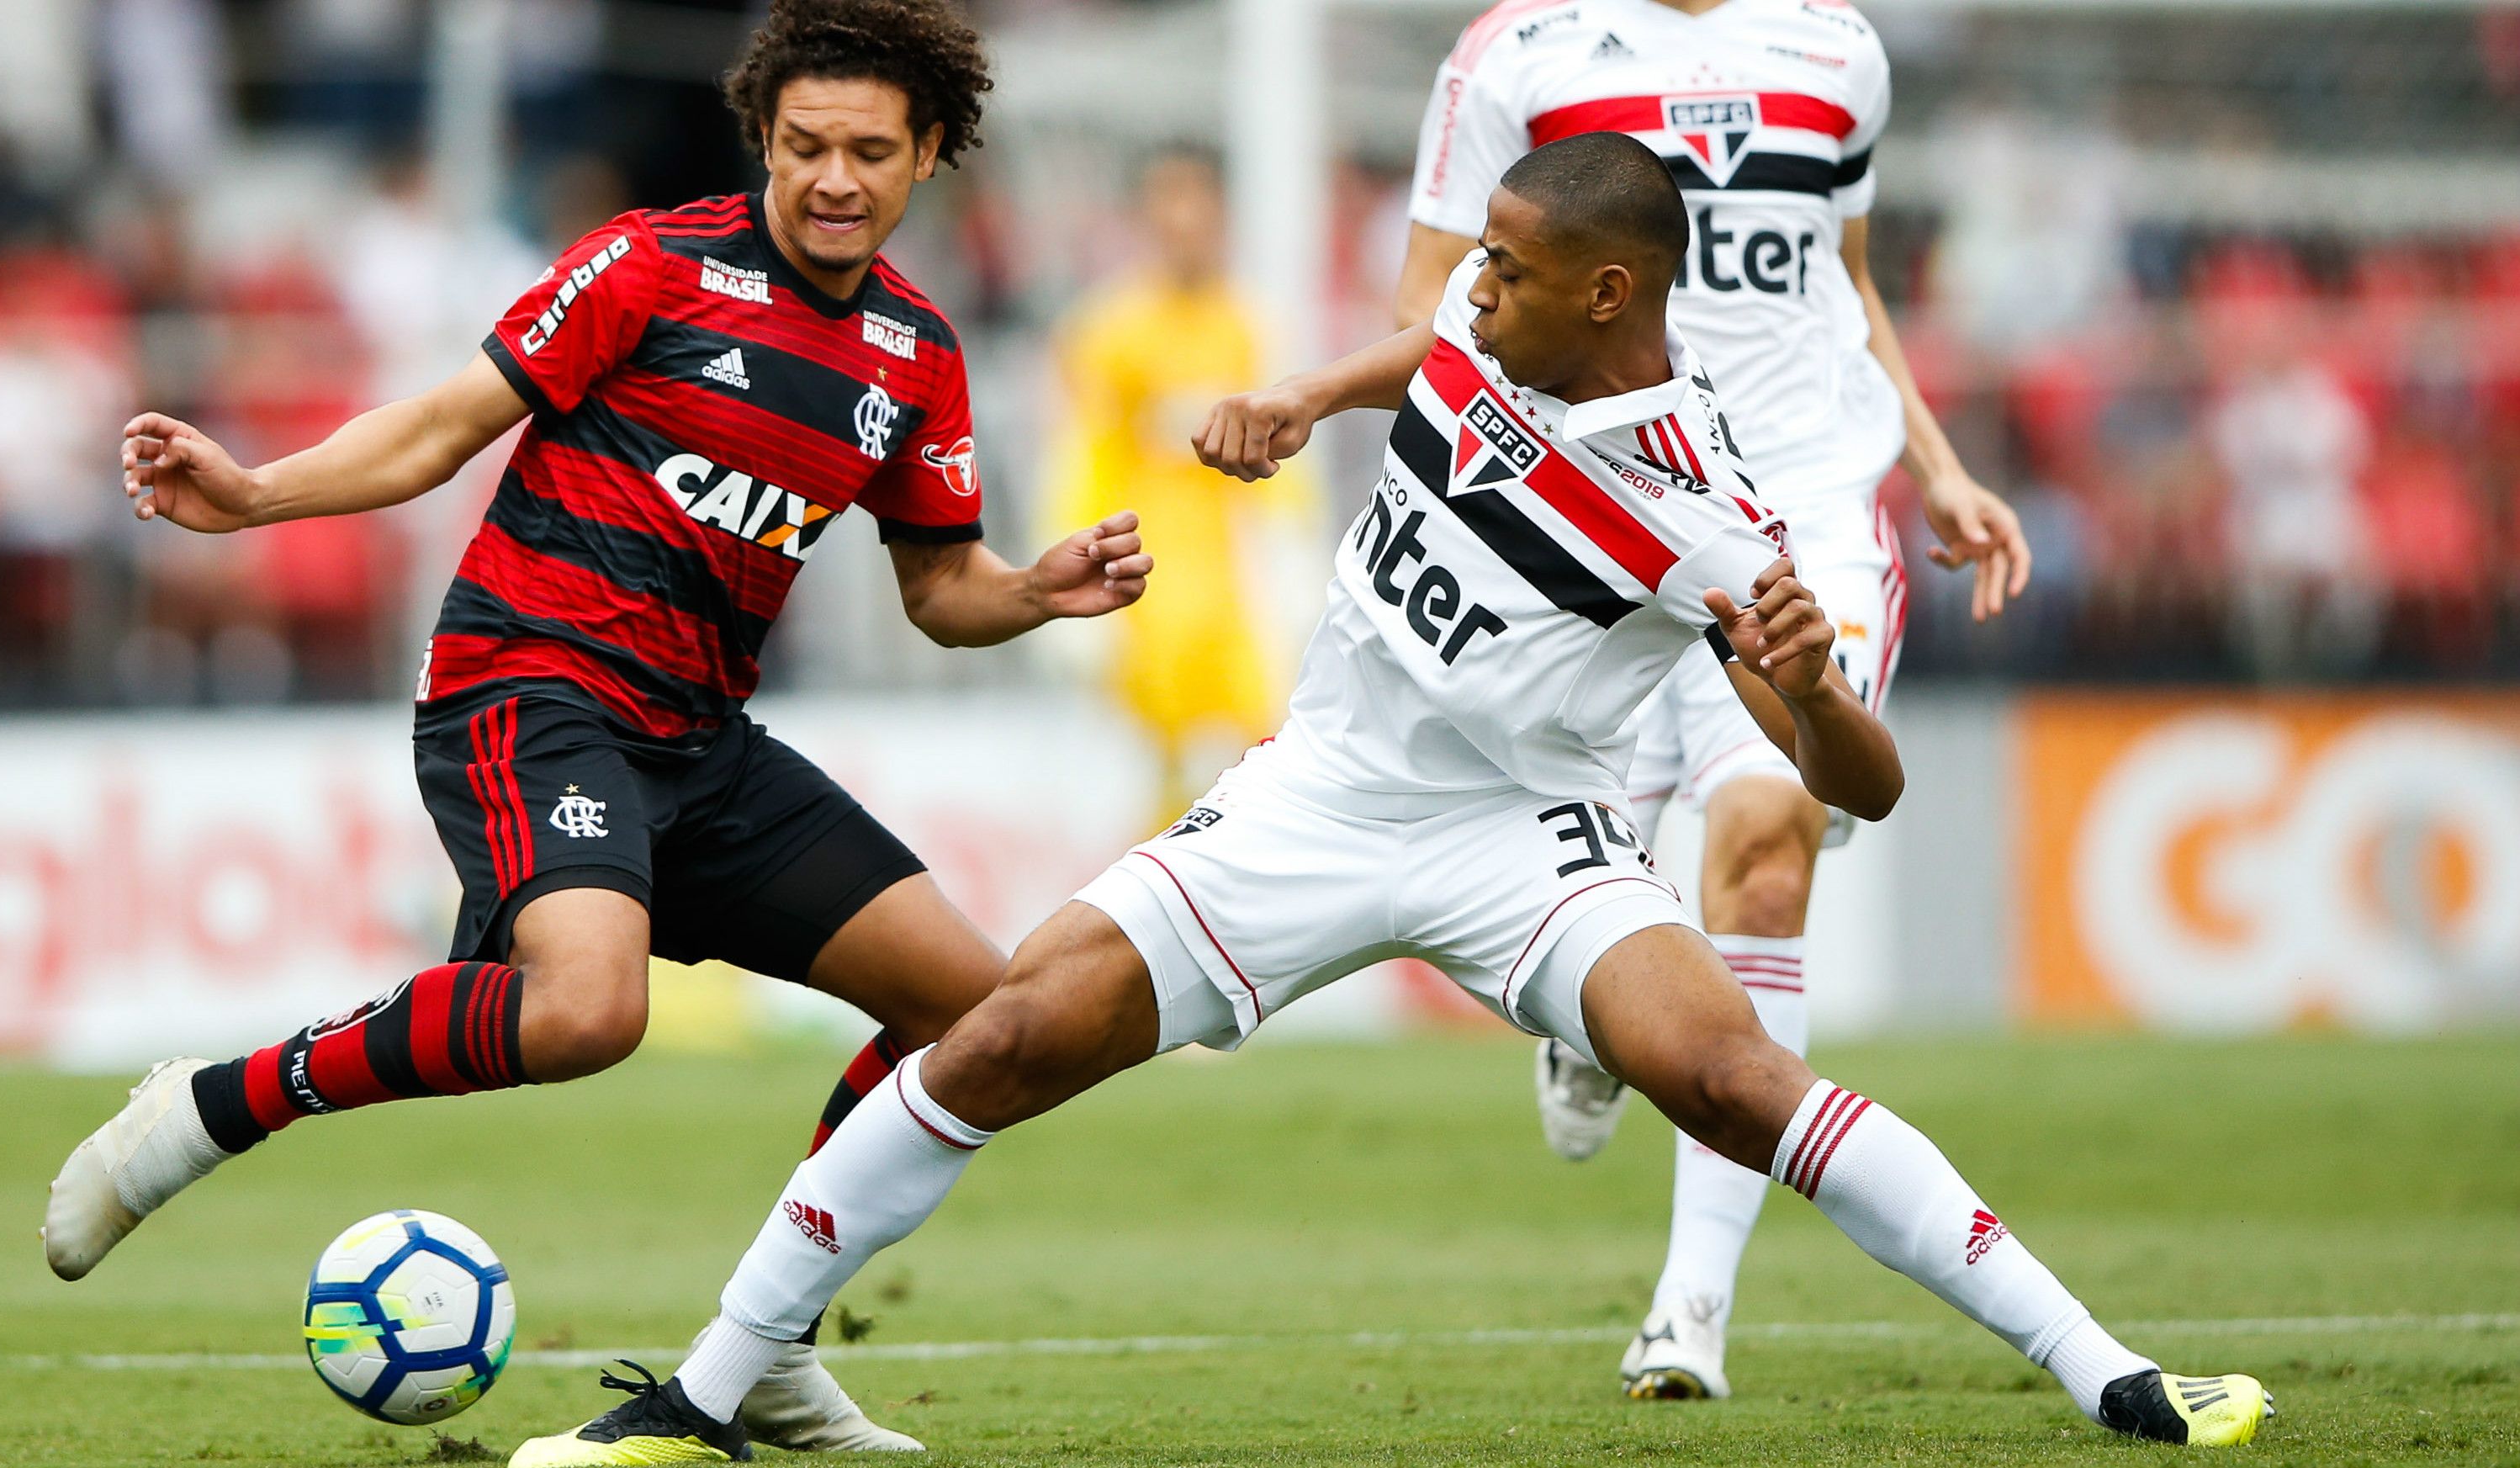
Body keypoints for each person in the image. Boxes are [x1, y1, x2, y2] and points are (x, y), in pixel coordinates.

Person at [507, 134, 2269, 1467]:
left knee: (1735, 1078)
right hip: (1314, 799)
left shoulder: (1704, 510)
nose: (1465, 288)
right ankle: (703, 1393)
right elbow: (1408, 362)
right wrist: (1295, 395)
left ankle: (2105, 1367)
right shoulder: (1479, 341)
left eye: (1502, 264)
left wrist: (1810, 684)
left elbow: (1855, 789)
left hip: (1523, 841)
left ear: (1605, 294)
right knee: (998, 1035)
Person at [45, 0, 1150, 1451]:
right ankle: (218, 1103)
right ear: (762, 138)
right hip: (531, 687)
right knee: (585, 1015)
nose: (832, 179)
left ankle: (765, 1346)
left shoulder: (916, 356)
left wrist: (1037, 594)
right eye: (804, 145)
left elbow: (942, 589)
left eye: (868, 152)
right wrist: (257, 495)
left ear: (927, 155)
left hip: (704, 741)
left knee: (982, 1015)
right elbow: (447, 424)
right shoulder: (651, 264)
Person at [1395, 0, 2034, 1400]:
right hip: (1601, 492)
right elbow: (1435, 297)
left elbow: (1843, 286)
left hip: (1800, 496)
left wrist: (1934, 465)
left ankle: (1690, 1310)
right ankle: (1590, 1024)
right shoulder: (1520, 46)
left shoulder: (1838, 47)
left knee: (1763, 849)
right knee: (1589, 882)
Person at [1049, 144, 1315, 815]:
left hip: (1235, 572)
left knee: (1246, 749)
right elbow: (1085, 452)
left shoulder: (1247, 326)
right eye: (1168, 206)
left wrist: (1294, 544)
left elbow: (1289, 456)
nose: (1183, 222)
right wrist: (1072, 554)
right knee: (1154, 761)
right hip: (1145, 570)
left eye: (1196, 206)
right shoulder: (1109, 331)